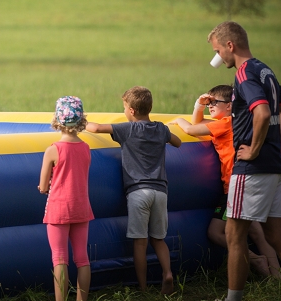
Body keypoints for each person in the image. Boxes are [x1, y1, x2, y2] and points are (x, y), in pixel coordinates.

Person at [208, 21, 281, 301]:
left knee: (233, 234)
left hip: (251, 168)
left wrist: (253, 149)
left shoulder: (244, 73)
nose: (218, 57)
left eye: (218, 50)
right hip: (274, 168)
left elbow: (261, 112)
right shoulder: (265, 70)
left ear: (230, 45)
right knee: (277, 235)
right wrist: (273, 143)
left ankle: (233, 298)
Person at [172, 85, 281, 277]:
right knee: (256, 232)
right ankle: (277, 277)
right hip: (249, 182)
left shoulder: (225, 124)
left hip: (235, 185)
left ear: (230, 106)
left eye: (215, 102)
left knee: (215, 232)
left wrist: (178, 120)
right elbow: (199, 123)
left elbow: (190, 128)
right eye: (209, 103)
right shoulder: (236, 122)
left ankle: (256, 260)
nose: (210, 105)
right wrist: (200, 106)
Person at [86, 86, 181, 294]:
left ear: (131, 111)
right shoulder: (161, 129)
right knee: (158, 239)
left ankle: (143, 288)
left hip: (138, 192)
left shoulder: (127, 129)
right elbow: (178, 142)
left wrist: (80, 121)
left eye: (124, 108)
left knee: (140, 243)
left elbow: (96, 128)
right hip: (160, 191)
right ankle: (167, 273)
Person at [39, 96, 93, 301]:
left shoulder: (53, 150)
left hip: (58, 210)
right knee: (82, 259)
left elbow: (44, 186)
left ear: (57, 120)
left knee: (60, 259)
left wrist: (44, 187)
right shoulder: (86, 148)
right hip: (81, 208)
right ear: (81, 120)